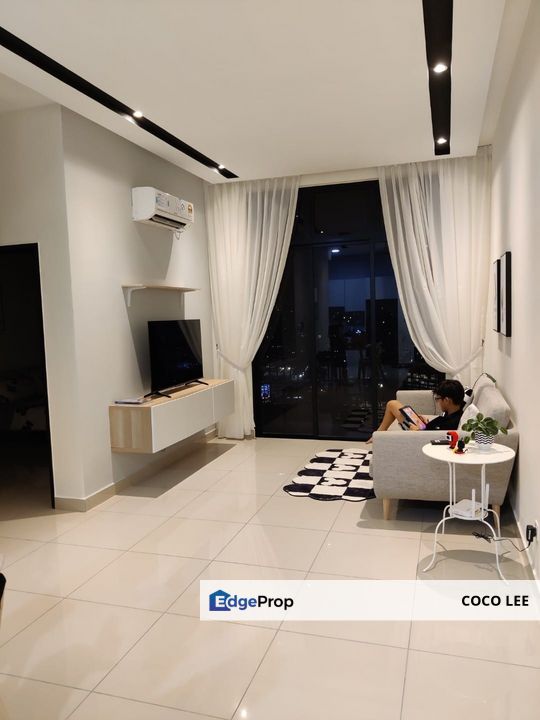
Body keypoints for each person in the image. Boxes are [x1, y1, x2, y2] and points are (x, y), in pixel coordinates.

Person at [367, 379, 465, 442]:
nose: (438, 402)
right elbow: (436, 428)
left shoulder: (452, 422)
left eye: (438, 399)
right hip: (422, 429)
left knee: (391, 405)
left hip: (417, 434)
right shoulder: (454, 412)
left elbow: (435, 438)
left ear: (447, 400)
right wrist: (426, 423)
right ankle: (378, 435)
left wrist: (417, 431)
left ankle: (377, 436)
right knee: (392, 404)